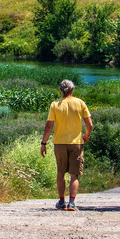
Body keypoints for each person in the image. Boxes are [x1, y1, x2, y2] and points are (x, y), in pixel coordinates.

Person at [40, 80, 92, 211]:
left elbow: (48, 126)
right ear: (72, 90)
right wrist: (86, 135)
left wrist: (43, 143)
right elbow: (89, 124)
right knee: (74, 174)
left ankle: (62, 201)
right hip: (76, 142)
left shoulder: (55, 104)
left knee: (61, 172)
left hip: (59, 142)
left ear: (61, 91)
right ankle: (72, 202)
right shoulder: (80, 103)